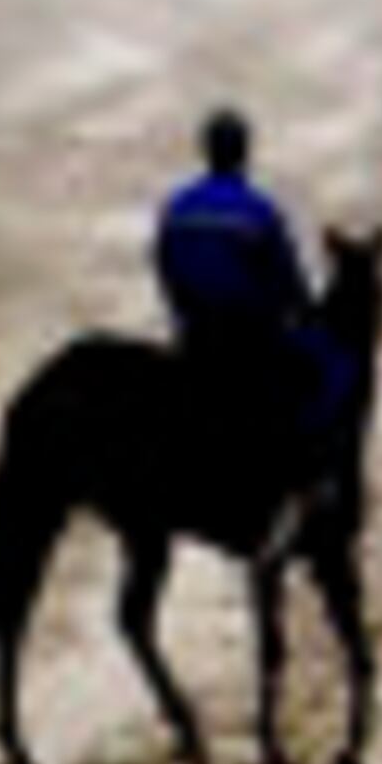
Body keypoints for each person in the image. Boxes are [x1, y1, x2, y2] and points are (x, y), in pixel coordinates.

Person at [151, 103, 312, 489]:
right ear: (245, 152)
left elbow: (163, 266)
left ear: (205, 150)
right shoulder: (261, 212)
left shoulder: (176, 207)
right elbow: (288, 282)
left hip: (195, 339)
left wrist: (182, 312)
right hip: (250, 342)